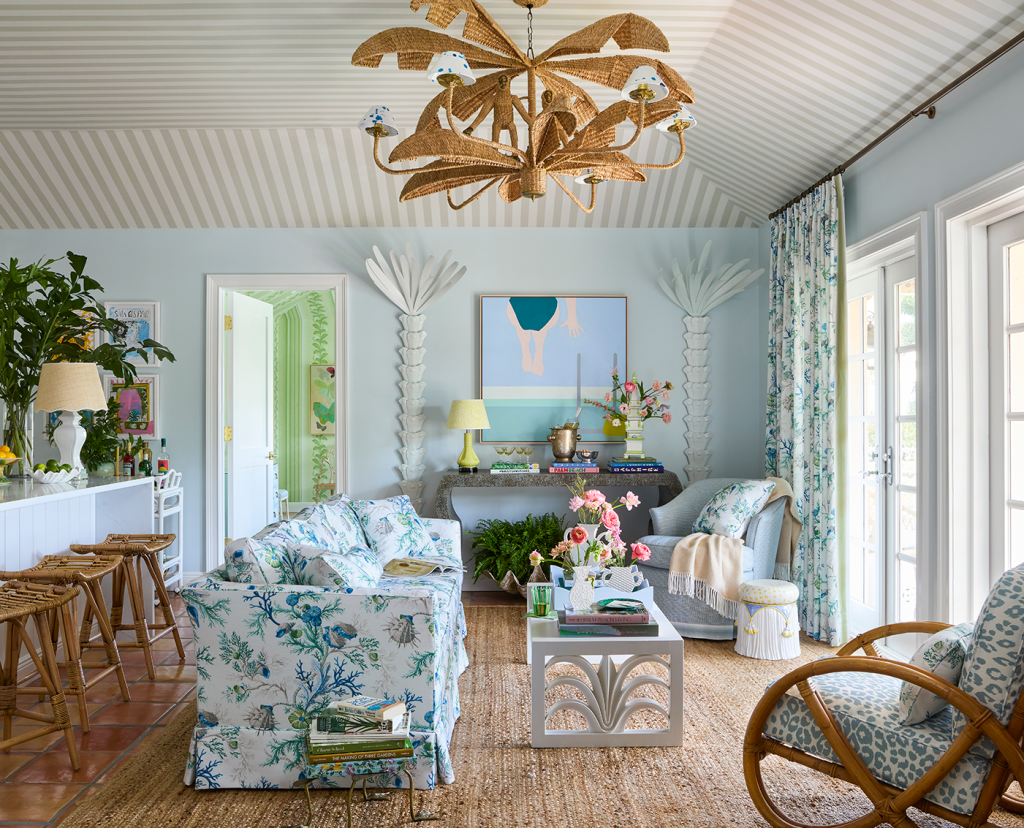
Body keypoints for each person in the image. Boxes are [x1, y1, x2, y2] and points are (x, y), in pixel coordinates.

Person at [505, 297, 583, 376]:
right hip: (542, 307)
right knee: (538, 328)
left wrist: (572, 317)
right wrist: (572, 316)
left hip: (524, 307)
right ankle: (535, 355)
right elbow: (569, 287)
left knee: (527, 327)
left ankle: (531, 354)